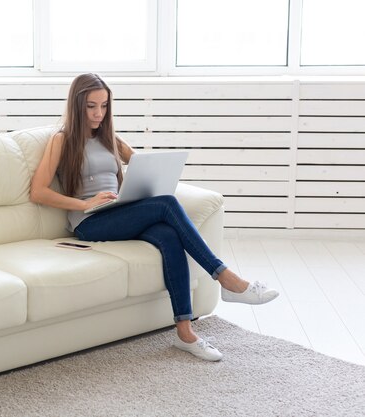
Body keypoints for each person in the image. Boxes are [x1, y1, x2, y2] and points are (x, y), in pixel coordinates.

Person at [30, 73, 279, 361]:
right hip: (89, 222)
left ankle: (186, 334)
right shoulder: (62, 140)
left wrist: (143, 183)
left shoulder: (110, 138)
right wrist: (84, 203)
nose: (99, 113)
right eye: (91, 106)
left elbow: (143, 167)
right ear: (76, 106)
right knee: (167, 205)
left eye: (104, 106)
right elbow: (38, 191)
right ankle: (226, 278)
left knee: (169, 235)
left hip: (118, 213)